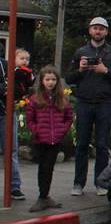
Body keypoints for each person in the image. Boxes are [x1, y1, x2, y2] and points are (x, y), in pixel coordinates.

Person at [65, 16, 111, 197]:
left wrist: (105, 71)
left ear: (106, 31)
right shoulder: (80, 52)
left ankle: (101, 182)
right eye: (95, 28)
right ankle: (78, 183)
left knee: (102, 145)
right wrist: (81, 69)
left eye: (101, 28)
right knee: (82, 144)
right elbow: (69, 78)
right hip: (84, 102)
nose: (98, 31)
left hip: (104, 103)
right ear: (89, 30)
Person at [25, 65, 74, 212]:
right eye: (47, 79)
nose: (50, 82)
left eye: (53, 79)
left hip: (55, 140)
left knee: (49, 168)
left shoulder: (62, 99)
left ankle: (45, 196)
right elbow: (30, 119)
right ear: (42, 81)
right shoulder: (35, 99)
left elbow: (68, 117)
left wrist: (61, 131)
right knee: (43, 168)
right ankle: (42, 196)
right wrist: (37, 130)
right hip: (40, 140)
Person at [0, 56, 26, 200]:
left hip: (5, 113)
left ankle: (14, 186)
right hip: (5, 111)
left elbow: (18, 88)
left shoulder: (6, 65)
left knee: (11, 150)